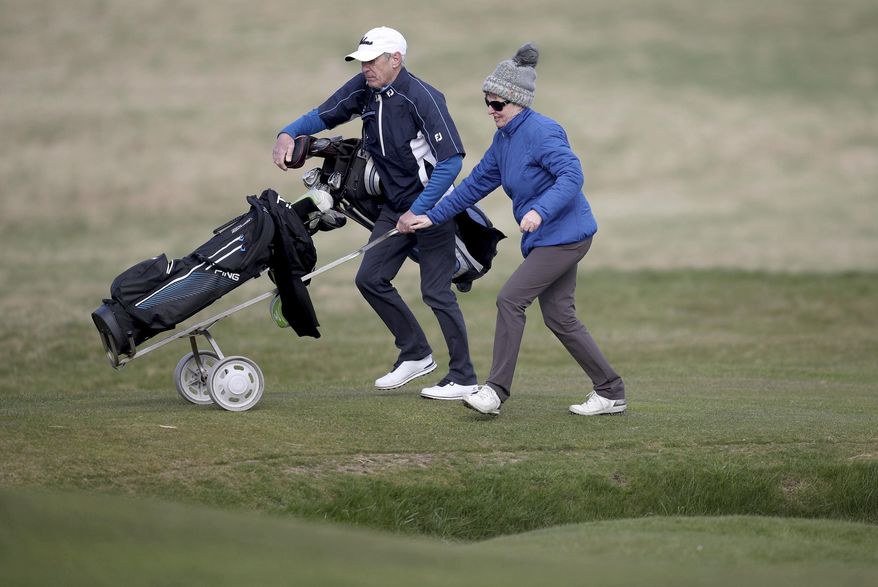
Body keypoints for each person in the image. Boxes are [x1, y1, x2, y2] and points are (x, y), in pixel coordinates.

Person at [402, 43, 626, 416]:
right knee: (559, 316)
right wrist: (432, 215)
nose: (491, 111)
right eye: (487, 103)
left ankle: (495, 391)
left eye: (498, 105)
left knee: (510, 299)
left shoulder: (542, 132)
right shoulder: (504, 139)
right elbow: (475, 184)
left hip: (566, 236)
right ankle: (611, 390)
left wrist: (539, 209)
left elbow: (572, 175)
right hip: (545, 238)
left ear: (517, 101)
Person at [272, 27, 478, 400]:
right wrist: (287, 133)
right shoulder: (364, 88)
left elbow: (451, 163)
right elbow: (324, 114)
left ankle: (463, 376)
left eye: (373, 61)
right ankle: (415, 353)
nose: (366, 68)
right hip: (394, 207)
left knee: (435, 291)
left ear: (395, 59)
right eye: (362, 61)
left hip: (433, 208)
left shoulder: (423, 98)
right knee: (370, 278)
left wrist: (419, 211)